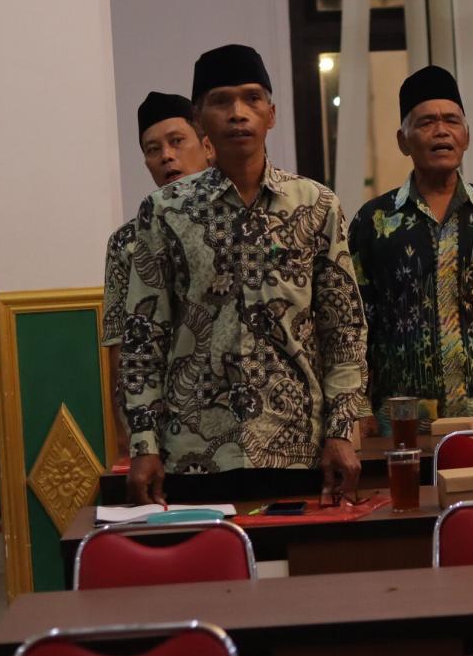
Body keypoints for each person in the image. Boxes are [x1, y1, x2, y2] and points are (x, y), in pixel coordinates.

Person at [120, 45, 369, 504]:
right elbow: (143, 334)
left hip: (299, 449)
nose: (238, 113)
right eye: (221, 101)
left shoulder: (316, 205)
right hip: (193, 451)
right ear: (199, 120)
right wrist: (144, 444)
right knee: (209, 553)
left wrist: (341, 430)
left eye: (252, 98)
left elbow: (344, 329)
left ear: (271, 114)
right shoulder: (165, 211)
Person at [349, 66, 473, 434]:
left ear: (466, 136)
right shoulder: (374, 220)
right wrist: (358, 406)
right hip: (402, 422)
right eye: (426, 122)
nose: (441, 131)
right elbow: (357, 322)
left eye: (452, 121)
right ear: (403, 141)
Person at [101, 92, 214, 459]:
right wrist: (128, 435)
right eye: (153, 149)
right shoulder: (127, 242)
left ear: (207, 146)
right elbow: (119, 345)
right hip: (168, 426)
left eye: (177, 141)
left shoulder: (233, 224)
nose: (166, 155)